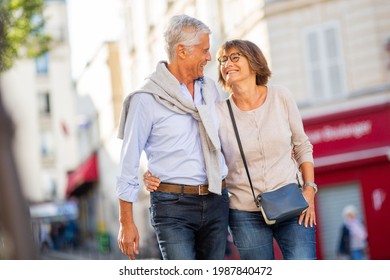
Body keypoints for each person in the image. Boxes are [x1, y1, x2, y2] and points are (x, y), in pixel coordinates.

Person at [145, 39, 317, 260]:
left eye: (235, 57)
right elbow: (189, 147)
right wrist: (154, 171)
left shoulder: (281, 96)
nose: (227, 64)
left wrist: (309, 190)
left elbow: (302, 145)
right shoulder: (218, 112)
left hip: (292, 205)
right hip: (244, 213)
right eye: (222, 60)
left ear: (254, 63)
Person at [116, 14, 229, 260]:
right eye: (204, 51)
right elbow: (129, 160)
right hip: (172, 206)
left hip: (216, 201)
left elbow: (225, 138)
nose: (209, 58)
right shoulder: (146, 99)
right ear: (182, 51)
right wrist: (126, 222)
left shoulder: (209, 89)